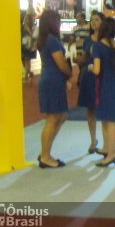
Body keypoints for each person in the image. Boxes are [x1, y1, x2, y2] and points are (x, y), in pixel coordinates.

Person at [36, 9, 72, 168]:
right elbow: (61, 64)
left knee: (61, 115)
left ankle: (45, 150)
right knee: (52, 118)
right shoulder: (52, 41)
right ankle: (45, 156)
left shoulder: (45, 39)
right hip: (52, 81)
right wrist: (69, 73)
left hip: (50, 80)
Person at [89, 17, 115, 167]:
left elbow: (97, 69)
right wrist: (113, 69)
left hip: (104, 85)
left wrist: (91, 68)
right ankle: (110, 148)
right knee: (109, 119)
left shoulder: (98, 46)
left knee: (108, 121)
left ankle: (111, 154)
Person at [76, 10, 104, 154]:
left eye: (97, 19)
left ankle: (108, 142)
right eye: (92, 20)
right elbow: (85, 58)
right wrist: (79, 60)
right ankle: (93, 140)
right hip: (89, 76)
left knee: (105, 110)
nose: (93, 22)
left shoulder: (107, 40)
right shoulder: (87, 41)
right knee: (90, 109)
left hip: (102, 77)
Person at [21, 13, 36, 80]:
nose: (26, 20)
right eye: (25, 19)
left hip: (29, 45)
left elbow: (33, 35)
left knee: (27, 60)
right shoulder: (22, 26)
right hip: (23, 45)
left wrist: (27, 29)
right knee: (23, 60)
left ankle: (26, 76)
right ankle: (29, 72)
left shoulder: (33, 27)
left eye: (28, 19)